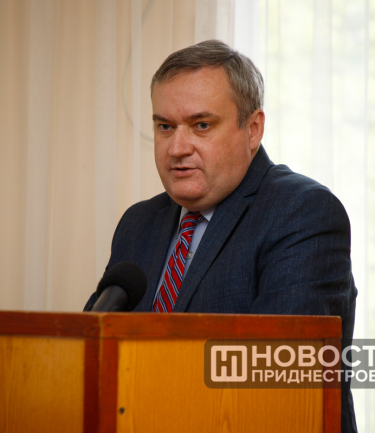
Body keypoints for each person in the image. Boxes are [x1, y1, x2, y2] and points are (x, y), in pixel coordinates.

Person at [84, 39, 357, 433]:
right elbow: (90, 352)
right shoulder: (138, 223)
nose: (177, 148)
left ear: (253, 129)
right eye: (165, 127)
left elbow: (275, 374)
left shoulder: (302, 211)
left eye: (201, 125)